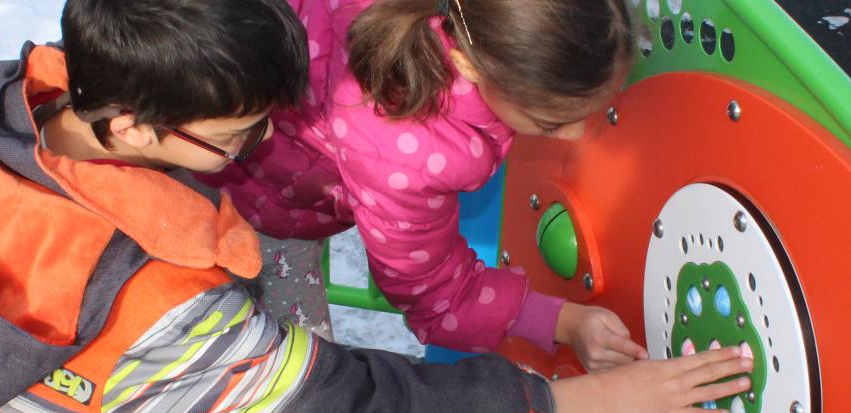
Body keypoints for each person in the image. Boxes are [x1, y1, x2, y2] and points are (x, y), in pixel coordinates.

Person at [0, 0, 750, 413]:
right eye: (241, 136)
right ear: (132, 125)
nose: (263, 151)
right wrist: (588, 401)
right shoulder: (158, 310)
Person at [198, 0, 649, 371]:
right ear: (467, 64)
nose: (575, 136)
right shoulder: (409, 152)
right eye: (551, 122)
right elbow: (436, 294)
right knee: (300, 375)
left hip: (227, 56)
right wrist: (564, 321)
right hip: (242, 191)